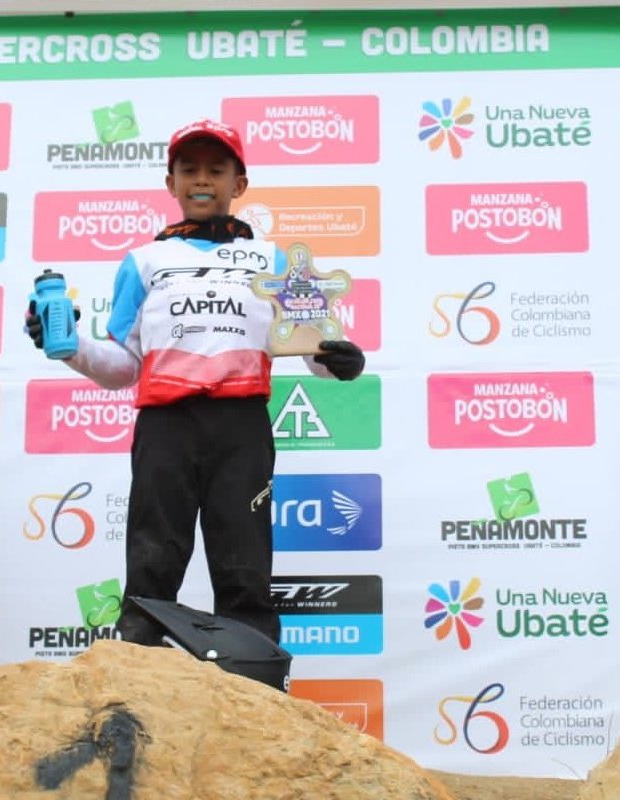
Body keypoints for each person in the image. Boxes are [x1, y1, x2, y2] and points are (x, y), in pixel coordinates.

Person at [25, 119, 365, 646]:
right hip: (166, 425)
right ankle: (137, 670)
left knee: (244, 564)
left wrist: (338, 361)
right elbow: (124, 366)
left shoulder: (273, 259)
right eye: (188, 169)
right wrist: (73, 350)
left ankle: (253, 677)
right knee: (152, 560)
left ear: (239, 184)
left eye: (216, 169)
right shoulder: (144, 261)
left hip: (241, 425)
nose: (202, 179)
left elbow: (306, 344)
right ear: (171, 184)